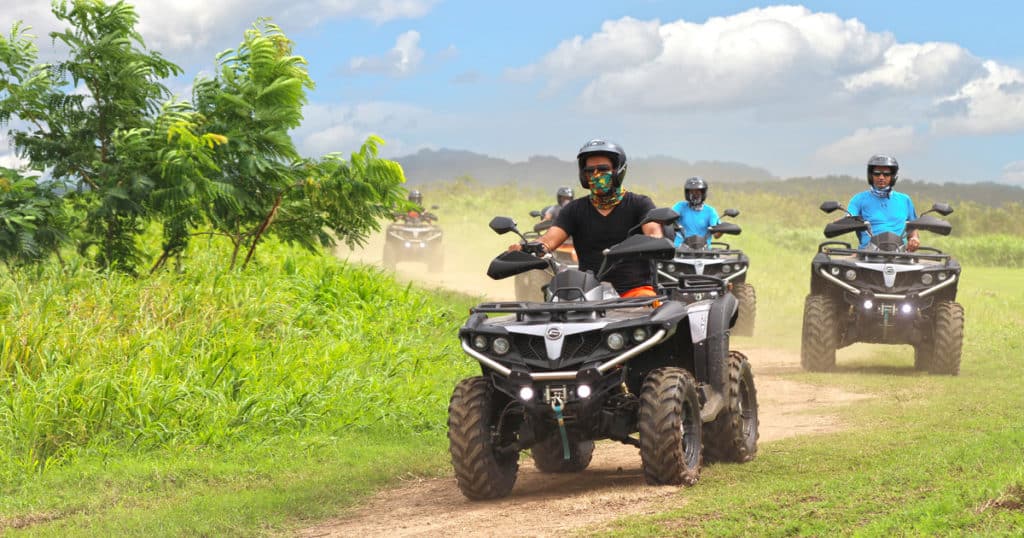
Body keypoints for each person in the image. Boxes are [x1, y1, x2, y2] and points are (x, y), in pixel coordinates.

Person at [509, 139, 663, 297]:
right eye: (590, 170)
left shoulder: (640, 204)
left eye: (603, 169)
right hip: (587, 292)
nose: (596, 175)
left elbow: (653, 233)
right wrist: (527, 248)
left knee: (646, 304)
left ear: (618, 170)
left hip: (635, 292)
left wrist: (655, 240)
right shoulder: (574, 209)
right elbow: (549, 240)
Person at [847, 154, 919, 251]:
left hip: (901, 254)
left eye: (886, 174)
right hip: (867, 254)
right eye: (877, 173)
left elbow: (913, 226)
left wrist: (914, 238)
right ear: (870, 175)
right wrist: (840, 223)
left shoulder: (905, 200)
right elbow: (848, 218)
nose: (881, 177)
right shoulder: (859, 199)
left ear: (893, 176)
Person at [670, 176, 720, 248]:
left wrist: (723, 229)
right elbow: (670, 216)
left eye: (697, 191)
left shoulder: (710, 211)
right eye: (691, 191)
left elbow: (716, 235)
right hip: (680, 249)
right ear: (687, 193)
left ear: (703, 193)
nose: (694, 194)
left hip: (704, 250)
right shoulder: (680, 206)